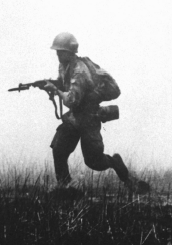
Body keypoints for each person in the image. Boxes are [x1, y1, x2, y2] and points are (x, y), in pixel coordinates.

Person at [40, 32, 146, 192]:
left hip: (89, 119)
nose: (57, 54)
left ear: (69, 52)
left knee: (94, 161)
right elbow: (64, 85)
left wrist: (55, 89)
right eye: (57, 51)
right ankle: (66, 187)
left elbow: (72, 100)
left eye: (60, 51)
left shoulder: (80, 71)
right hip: (75, 118)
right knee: (59, 148)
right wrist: (52, 85)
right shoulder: (64, 66)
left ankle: (115, 163)